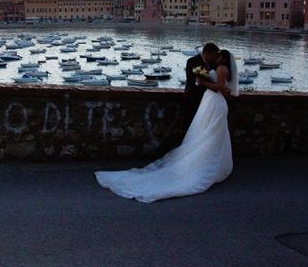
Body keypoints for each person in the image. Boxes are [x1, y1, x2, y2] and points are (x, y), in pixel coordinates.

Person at [95, 49, 238, 203]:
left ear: (222, 58)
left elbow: (220, 88)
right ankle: (214, 162)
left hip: (214, 102)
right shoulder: (219, 68)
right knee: (211, 133)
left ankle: (206, 161)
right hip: (211, 102)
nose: (216, 57)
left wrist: (203, 82)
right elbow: (224, 88)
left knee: (212, 133)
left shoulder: (221, 69)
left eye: (218, 55)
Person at [182, 43, 220, 135]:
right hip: (193, 98)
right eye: (214, 55)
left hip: (208, 100)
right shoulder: (192, 61)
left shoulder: (214, 64)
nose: (216, 58)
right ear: (207, 53)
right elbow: (193, 80)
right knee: (190, 125)